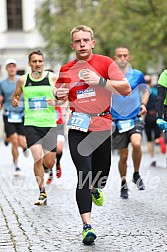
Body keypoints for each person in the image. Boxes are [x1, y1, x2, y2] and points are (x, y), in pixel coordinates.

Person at [54, 25, 131, 245]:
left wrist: (100, 81)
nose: (82, 45)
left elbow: (125, 89)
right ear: (72, 45)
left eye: (85, 40)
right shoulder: (66, 69)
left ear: (92, 43)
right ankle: (87, 226)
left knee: (101, 174)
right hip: (78, 127)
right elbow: (59, 94)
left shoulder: (106, 63)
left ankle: (96, 187)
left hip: (102, 127)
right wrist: (57, 93)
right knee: (83, 174)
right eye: (77, 41)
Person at [11, 50, 58, 205]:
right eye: (34, 61)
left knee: (49, 162)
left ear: (43, 62)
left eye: (40, 61)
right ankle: (42, 192)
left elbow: (63, 97)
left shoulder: (52, 78)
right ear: (29, 63)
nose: (37, 64)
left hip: (49, 124)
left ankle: (47, 168)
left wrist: (56, 101)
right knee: (37, 157)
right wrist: (15, 101)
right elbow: (16, 95)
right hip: (31, 123)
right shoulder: (23, 80)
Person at [111, 46, 149, 199]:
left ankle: (136, 173)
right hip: (118, 120)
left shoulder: (137, 75)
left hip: (135, 117)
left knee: (137, 144)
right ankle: (123, 183)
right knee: (124, 155)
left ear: (129, 57)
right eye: (119, 55)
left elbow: (145, 90)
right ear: (115, 57)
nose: (122, 58)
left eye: (125, 55)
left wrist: (143, 104)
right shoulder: (110, 76)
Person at [0, 58, 28, 176]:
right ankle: (17, 165)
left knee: (22, 143)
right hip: (8, 114)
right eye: (9, 67)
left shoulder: (21, 81)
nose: (11, 69)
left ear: (16, 68)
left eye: (13, 66)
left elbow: (27, 95)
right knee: (14, 141)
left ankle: (25, 148)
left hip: (21, 115)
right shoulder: (2, 84)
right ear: (6, 69)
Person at [144, 75, 164, 167]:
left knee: (149, 140)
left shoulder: (142, 92)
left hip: (147, 117)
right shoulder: (155, 91)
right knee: (156, 138)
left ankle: (153, 158)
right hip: (156, 116)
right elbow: (161, 101)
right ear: (151, 82)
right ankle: (160, 140)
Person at [46, 101, 69, 184]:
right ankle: (50, 173)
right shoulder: (47, 102)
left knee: (58, 149)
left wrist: (64, 110)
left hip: (59, 129)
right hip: (48, 130)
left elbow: (66, 100)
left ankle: (58, 163)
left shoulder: (61, 102)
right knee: (49, 154)